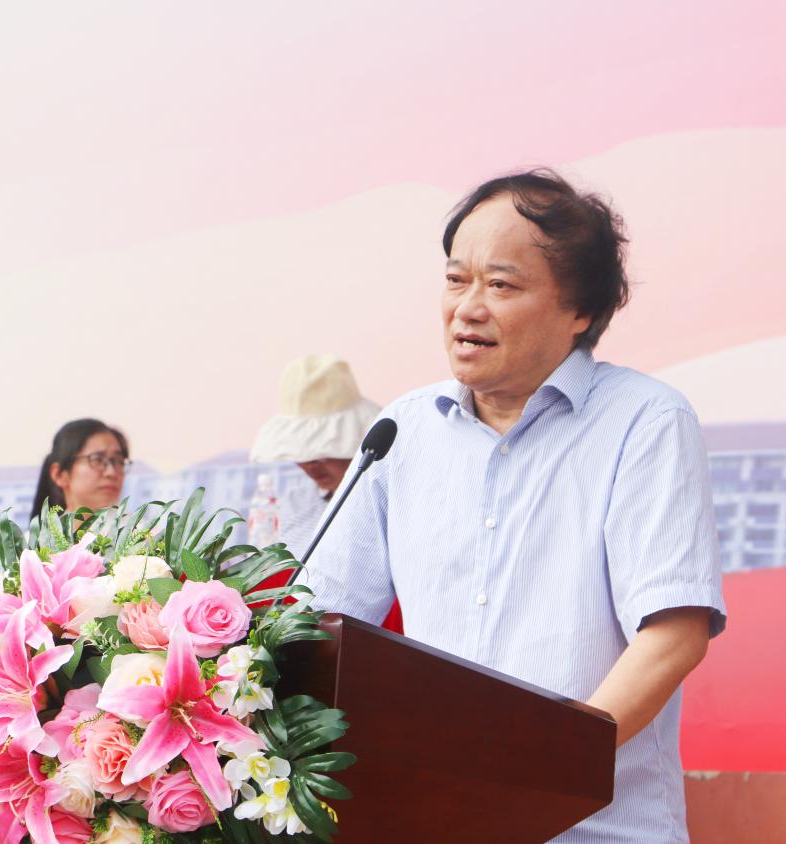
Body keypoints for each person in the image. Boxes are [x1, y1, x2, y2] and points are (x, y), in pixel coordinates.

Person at [300, 169, 726, 843]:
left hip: (594, 831)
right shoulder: (403, 430)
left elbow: (673, 633)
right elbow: (317, 619)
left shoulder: (644, 422)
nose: (467, 308)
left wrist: (535, 778)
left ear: (580, 309)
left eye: (500, 285)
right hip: (431, 825)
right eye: (455, 279)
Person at [250, 354, 380, 555]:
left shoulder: (385, 502)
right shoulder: (291, 506)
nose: (309, 465)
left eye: (322, 454)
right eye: (301, 453)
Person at [31, 419, 131, 519]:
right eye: (97, 459)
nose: (111, 472)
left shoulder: (135, 528)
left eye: (118, 461)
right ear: (59, 475)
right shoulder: (48, 529)